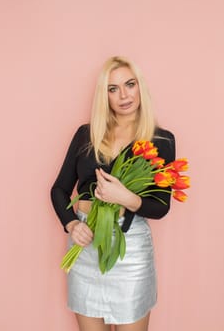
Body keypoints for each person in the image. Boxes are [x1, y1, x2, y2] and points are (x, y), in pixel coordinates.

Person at [51, 56, 175, 331]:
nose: (123, 95)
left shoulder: (161, 140)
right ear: (104, 96)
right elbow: (59, 189)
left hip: (130, 250)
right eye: (113, 88)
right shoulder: (87, 134)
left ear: (140, 87)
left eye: (129, 84)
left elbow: (161, 206)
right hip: (84, 247)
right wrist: (72, 224)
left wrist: (125, 198)